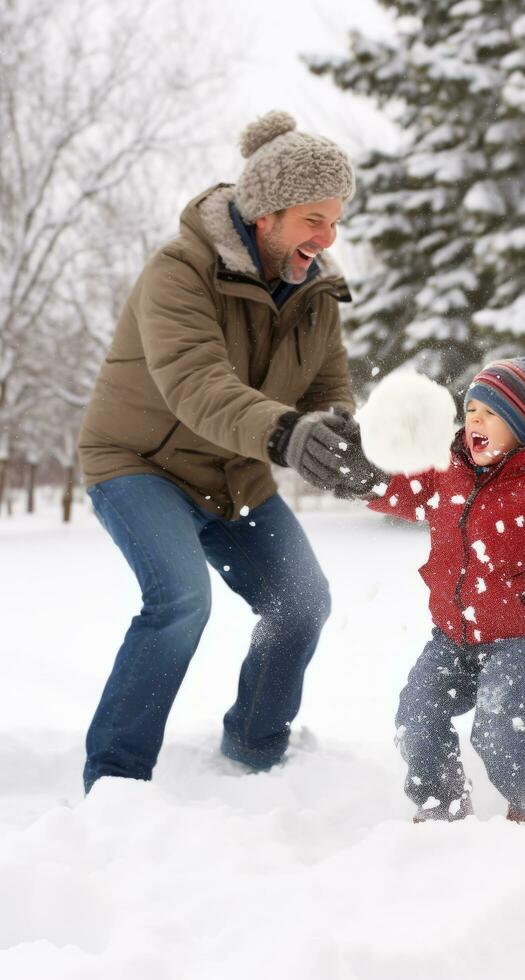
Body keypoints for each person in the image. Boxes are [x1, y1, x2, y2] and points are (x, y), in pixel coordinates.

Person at [77, 110, 374, 793]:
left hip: (233, 471)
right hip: (141, 463)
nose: (327, 238)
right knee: (181, 598)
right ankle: (116, 779)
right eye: (313, 220)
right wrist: (283, 435)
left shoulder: (316, 290)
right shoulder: (179, 272)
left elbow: (329, 384)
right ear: (267, 214)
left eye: (335, 220)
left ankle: (254, 750)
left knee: (301, 601)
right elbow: (196, 384)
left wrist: (341, 437)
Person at [366, 357, 525, 823]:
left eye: (491, 413)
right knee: (416, 718)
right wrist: (361, 475)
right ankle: (441, 805)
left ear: (523, 426)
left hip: (515, 637)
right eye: (471, 408)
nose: (474, 419)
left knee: (500, 729)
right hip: (451, 635)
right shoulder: (445, 468)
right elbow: (398, 489)